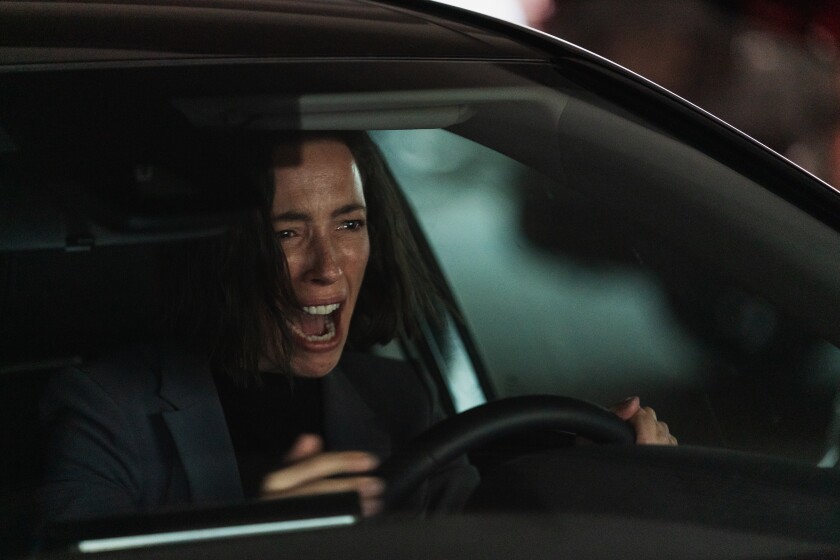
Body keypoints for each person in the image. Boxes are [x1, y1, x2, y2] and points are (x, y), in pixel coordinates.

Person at [38, 131, 674, 525]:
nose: (328, 270)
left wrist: (606, 493)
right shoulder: (106, 408)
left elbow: (477, 545)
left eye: (349, 225)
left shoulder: (396, 398)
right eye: (287, 232)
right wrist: (258, 544)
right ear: (225, 253)